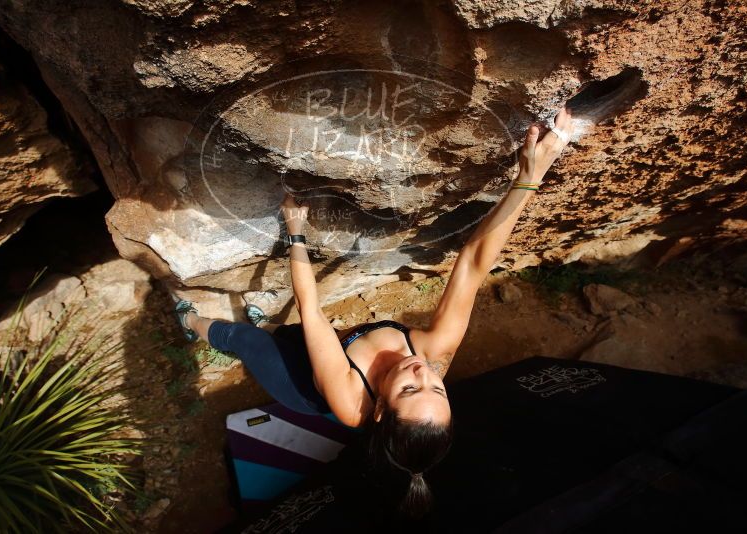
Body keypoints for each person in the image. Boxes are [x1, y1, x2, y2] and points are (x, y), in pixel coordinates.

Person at [174, 108, 575, 518]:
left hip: (311, 386)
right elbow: (473, 263)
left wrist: (295, 231)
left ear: (380, 409)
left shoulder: (351, 404)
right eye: (438, 389)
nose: (421, 372)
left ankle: (190, 323)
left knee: (252, 340)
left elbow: (313, 310)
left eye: (409, 390)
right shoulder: (433, 355)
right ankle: (273, 327)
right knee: (291, 333)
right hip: (340, 342)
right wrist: (531, 176)